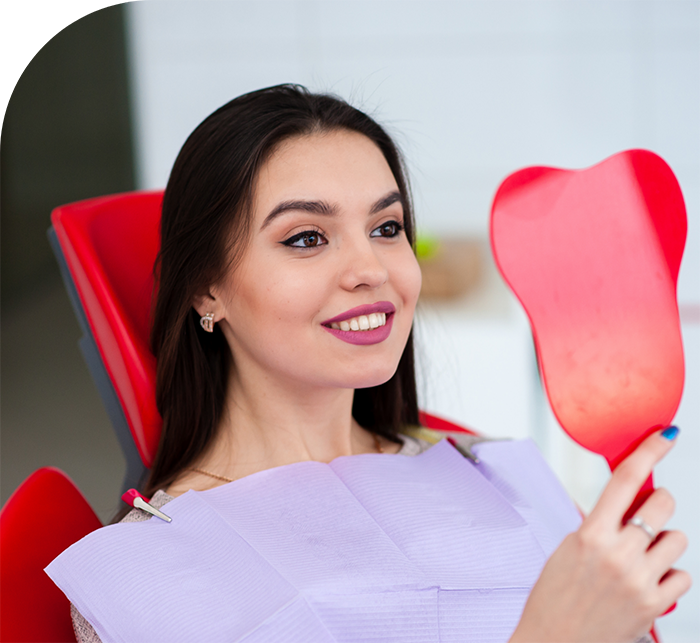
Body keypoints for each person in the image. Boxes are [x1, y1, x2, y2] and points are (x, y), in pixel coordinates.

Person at [58, 84, 689, 643]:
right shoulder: (142, 580)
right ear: (205, 290)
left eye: (386, 228)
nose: (372, 271)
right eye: (306, 237)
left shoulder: (491, 470)